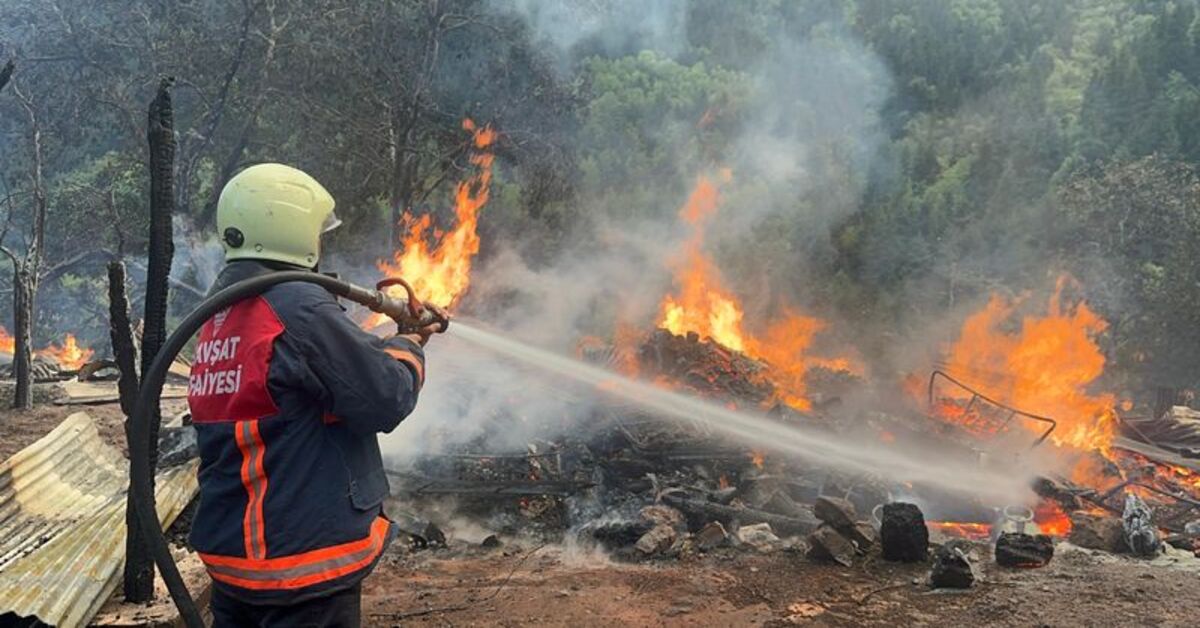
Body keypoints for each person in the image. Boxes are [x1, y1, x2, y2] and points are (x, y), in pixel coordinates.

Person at [187, 163, 432, 627]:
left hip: (236, 561)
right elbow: (386, 396)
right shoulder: (297, 304)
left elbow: (303, 380)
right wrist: (410, 344)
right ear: (294, 229)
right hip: (301, 564)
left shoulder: (223, 313)